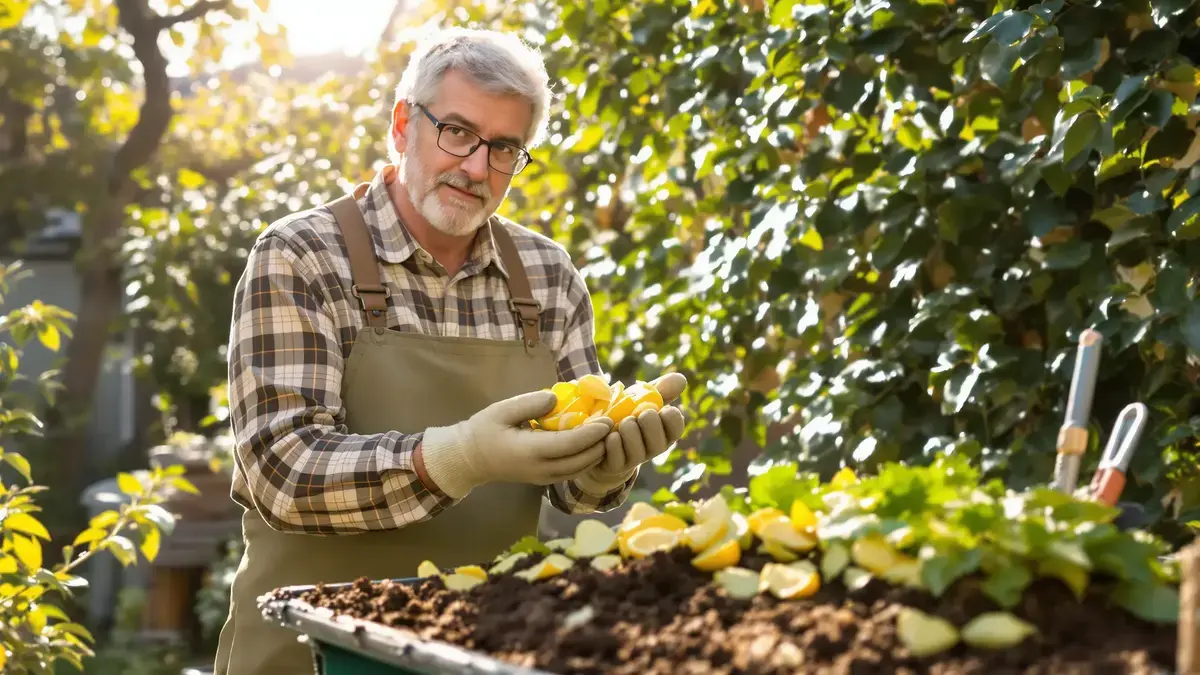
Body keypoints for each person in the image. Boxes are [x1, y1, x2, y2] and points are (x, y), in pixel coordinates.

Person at [212, 26, 688, 675]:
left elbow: (571, 489)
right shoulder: (301, 256)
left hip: (478, 651)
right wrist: (458, 456)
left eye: (504, 149)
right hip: (310, 658)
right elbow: (282, 471)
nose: (476, 168)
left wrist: (601, 469)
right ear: (404, 124)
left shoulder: (548, 279)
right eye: (458, 132)